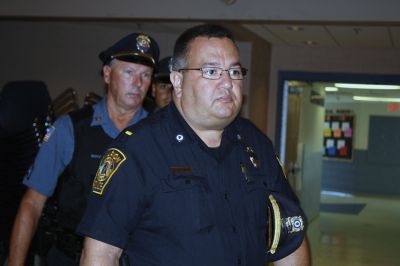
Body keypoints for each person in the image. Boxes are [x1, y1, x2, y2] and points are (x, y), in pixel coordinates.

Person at [78, 24, 311, 266]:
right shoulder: (138, 150)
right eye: (211, 71)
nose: (227, 83)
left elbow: (290, 237)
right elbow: (100, 255)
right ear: (177, 81)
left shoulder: (256, 144)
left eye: (234, 72)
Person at [7, 32, 160, 266]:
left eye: (145, 75)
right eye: (129, 72)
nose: (138, 84)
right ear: (107, 74)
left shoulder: (158, 134)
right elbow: (32, 204)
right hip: (70, 256)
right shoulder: (71, 129)